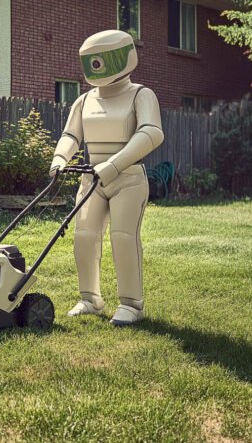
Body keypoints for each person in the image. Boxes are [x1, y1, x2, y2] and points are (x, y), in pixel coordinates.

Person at [50, 30, 163, 326]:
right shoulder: (84, 100)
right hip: (91, 179)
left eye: (103, 59)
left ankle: (131, 304)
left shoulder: (141, 94)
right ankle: (90, 298)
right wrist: (60, 158)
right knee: (84, 237)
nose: (97, 66)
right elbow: (71, 134)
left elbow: (151, 132)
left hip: (127, 178)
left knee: (123, 237)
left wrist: (114, 164)